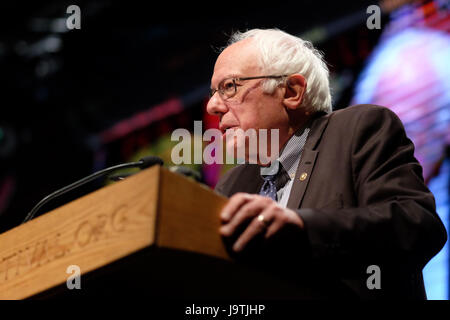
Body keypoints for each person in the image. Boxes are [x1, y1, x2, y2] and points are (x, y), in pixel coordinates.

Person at [206, 28, 447, 299]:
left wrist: (301, 226)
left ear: (292, 91)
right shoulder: (232, 185)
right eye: (214, 92)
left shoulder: (358, 129)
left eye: (229, 87)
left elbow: (416, 225)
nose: (213, 106)